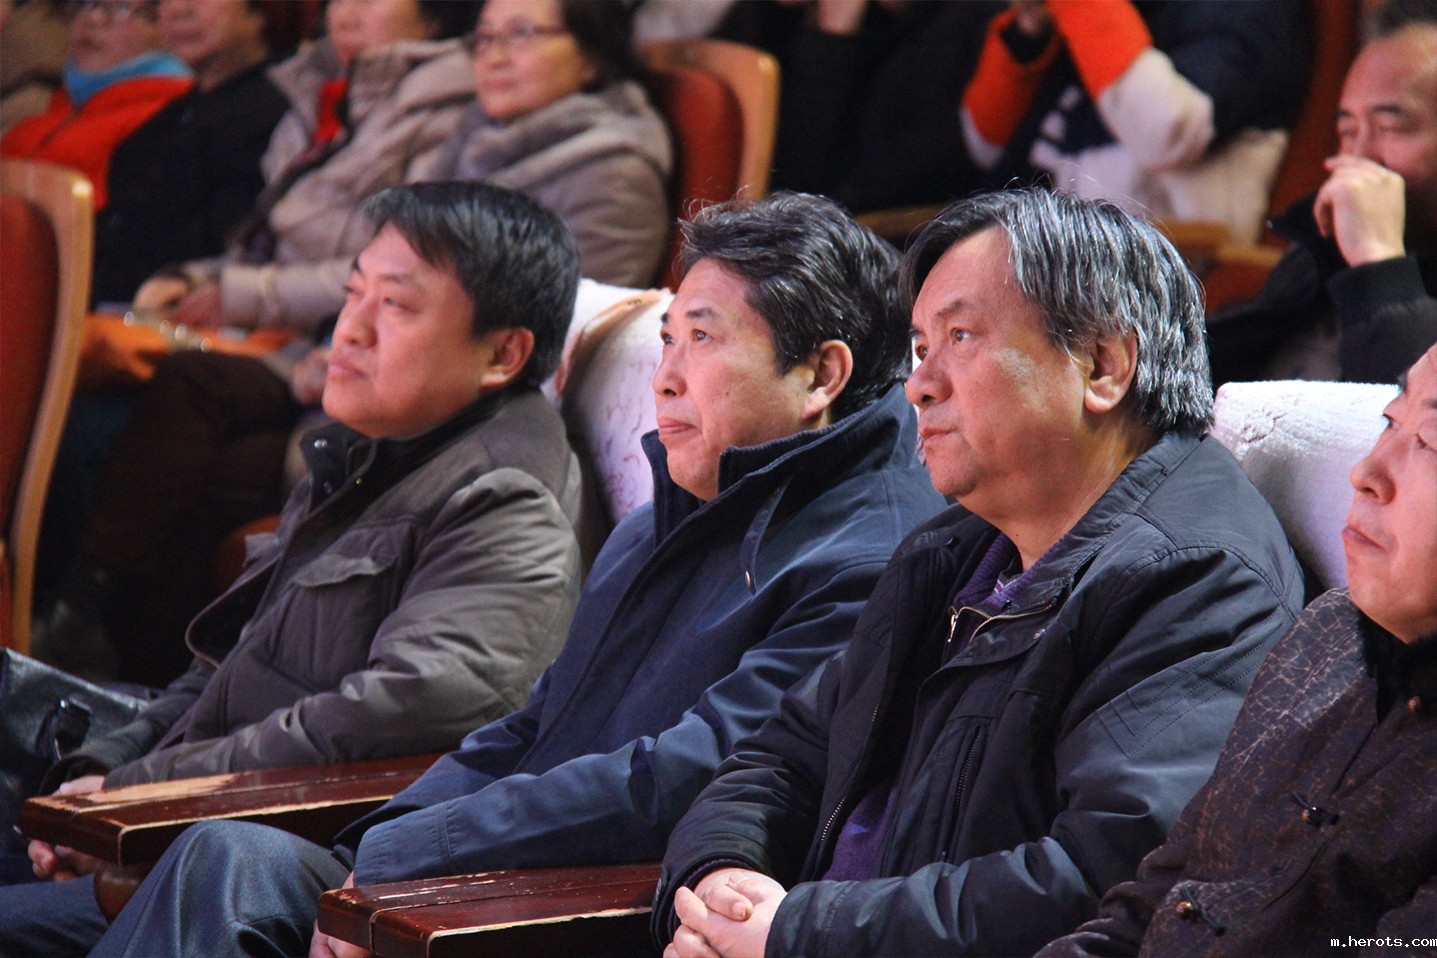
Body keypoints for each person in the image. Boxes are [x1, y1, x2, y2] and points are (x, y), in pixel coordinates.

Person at [80, 191, 947, 958]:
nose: (665, 379)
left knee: (228, 863)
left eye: (703, 340)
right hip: (465, 880)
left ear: (820, 375)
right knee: (181, 873)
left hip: (561, 915)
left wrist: (407, 865)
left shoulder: (865, 560)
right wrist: (375, 849)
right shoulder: (663, 516)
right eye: (666, 340)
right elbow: (533, 724)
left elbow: (687, 779)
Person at [655, 189, 1307, 958]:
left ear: (1102, 366)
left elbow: (1101, 883)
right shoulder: (954, 548)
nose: (918, 385)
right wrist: (721, 882)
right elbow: (781, 753)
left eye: (960, 337)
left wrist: (795, 933)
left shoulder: (1197, 581)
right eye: (920, 347)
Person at [0, 181, 586, 953]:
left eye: (396, 306)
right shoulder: (375, 449)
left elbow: (397, 714)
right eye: (352, 295)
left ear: (502, 353)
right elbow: (226, 666)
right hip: (185, 817)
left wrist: (133, 799)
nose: (349, 331)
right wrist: (104, 773)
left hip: (295, 862)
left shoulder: (505, 499)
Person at [30, 0, 480, 685]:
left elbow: (392, 265)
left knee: (174, 402)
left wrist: (242, 291)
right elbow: (260, 231)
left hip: (326, 331)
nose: (347, 10)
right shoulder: (317, 89)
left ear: (434, 18)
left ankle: (84, 620)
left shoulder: (444, 107)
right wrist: (199, 276)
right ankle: (124, 658)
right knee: (181, 452)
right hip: (278, 321)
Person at [1039, 343, 1437, 957]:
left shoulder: (1201, 568)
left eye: (1429, 443)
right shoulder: (1330, 633)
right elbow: (1154, 901)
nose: (1366, 472)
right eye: (1390, 420)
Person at [1208, 0, 1437, 387]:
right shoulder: (1320, 248)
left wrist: (1378, 264)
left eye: (1390, 127)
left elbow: (1418, 417)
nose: (1358, 158)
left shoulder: (1367, 251)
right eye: (1348, 131)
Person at [960, 0, 1308, 244]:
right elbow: (983, 150)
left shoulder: (1252, 9)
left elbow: (1167, 133)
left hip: (1148, 278)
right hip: (1037, 251)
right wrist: (1029, 32)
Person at [89, 0, 289, 306]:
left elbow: (221, 240)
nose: (179, 10)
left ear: (259, 11)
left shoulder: (281, 111)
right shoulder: (177, 115)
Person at [0, 0, 190, 209]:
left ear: (165, 27)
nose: (93, 18)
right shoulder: (41, 119)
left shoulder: (165, 123)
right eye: (87, 4)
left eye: (121, 8)